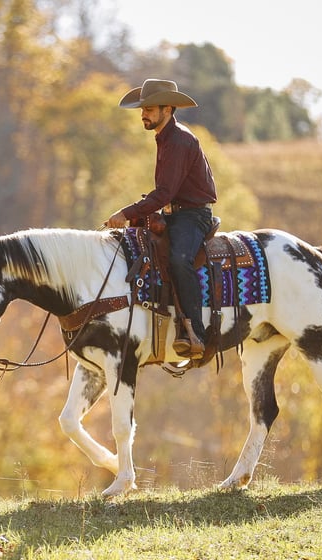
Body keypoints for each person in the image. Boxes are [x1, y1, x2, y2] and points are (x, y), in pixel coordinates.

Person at [106, 79, 217, 359]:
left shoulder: (179, 140)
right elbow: (166, 194)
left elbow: (164, 193)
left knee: (179, 260)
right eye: (142, 109)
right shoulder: (166, 137)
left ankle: (195, 332)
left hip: (193, 217)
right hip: (175, 214)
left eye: (149, 109)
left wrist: (126, 213)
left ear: (167, 109)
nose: (143, 114)